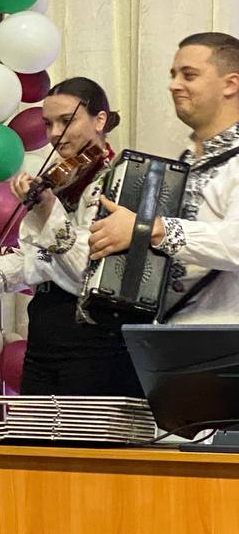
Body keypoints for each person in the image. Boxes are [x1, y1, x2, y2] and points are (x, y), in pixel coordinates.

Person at [0, 78, 139, 395]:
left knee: (82, 429)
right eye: (48, 123)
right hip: (45, 333)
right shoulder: (61, 179)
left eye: (67, 121)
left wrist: (49, 209)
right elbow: (36, 260)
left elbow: (87, 272)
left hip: (94, 341)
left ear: (100, 120)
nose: (54, 133)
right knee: (32, 427)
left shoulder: (121, 181)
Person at [89, 32, 239, 322]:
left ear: (231, 84)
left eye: (189, 75)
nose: (174, 85)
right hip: (169, 334)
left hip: (227, 339)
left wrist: (150, 229)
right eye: (173, 75)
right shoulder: (184, 162)